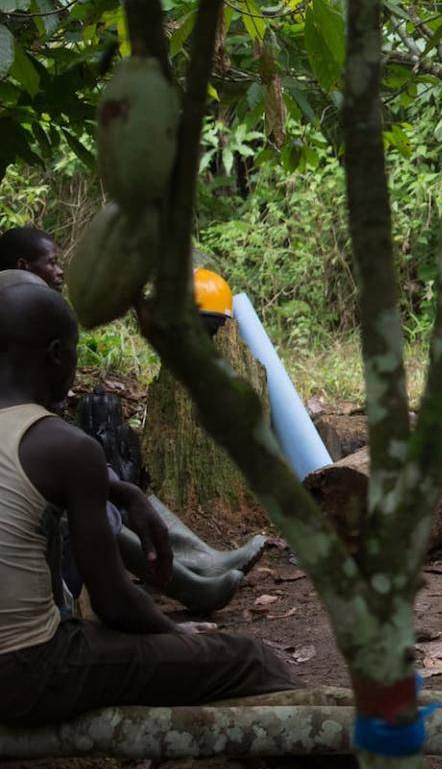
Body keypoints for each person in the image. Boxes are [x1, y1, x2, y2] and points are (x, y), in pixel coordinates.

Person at [0, 277, 301, 723]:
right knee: (247, 659)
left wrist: (123, 490)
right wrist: (176, 634)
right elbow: (114, 603)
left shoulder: (45, 443)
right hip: (26, 672)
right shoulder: (63, 445)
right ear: (57, 354)